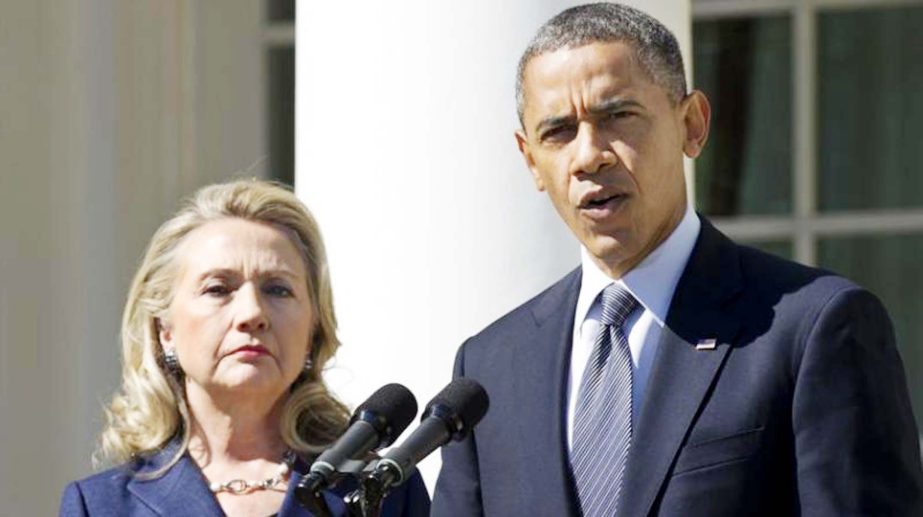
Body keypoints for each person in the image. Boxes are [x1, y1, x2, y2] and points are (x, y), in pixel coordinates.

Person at [433, 3, 923, 516]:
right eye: (558, 132)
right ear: (531, 160)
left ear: (692, 124)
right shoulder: (490, 368)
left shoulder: (813, 329)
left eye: (617, 117)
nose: (588, 156)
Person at [59, 179, 430, 516]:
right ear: (165, 331)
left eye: (278, 289)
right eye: (218, 289)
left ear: (313, 328)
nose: (252, 314)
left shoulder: (382, 490)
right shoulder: (101, 506)